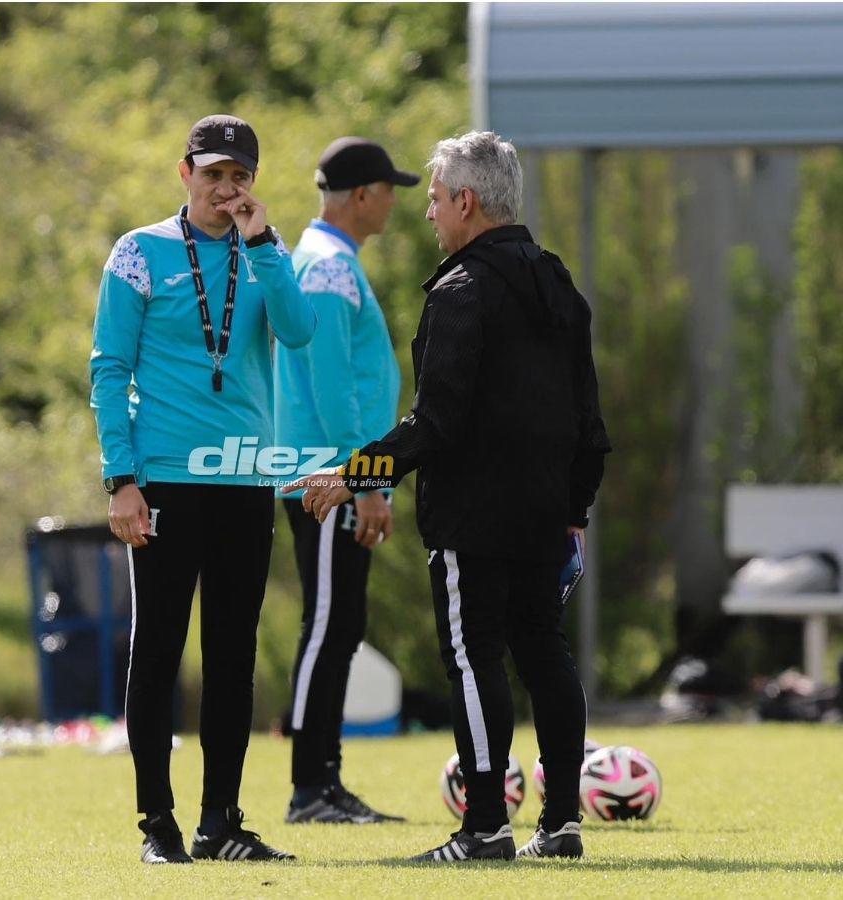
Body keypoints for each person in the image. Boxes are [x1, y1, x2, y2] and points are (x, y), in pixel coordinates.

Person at [284, 131, 611, 862]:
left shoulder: (462, 290)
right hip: (546, 513)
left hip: (475, 516)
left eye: (435, 199)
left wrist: (354, 473)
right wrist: (573, 512)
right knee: (545, 653)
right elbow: (591, 423)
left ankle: (485, 825)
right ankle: (560, 823)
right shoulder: (559, 283)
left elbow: (438, 423)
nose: (428, 214)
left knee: (472, 657)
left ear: (466, 202)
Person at [90, 114, 315, 864]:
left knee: (231, 655)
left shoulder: (265, 250)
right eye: (213, 173)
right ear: (185, 173)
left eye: (239, 175)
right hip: (163, 483)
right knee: (156, 652)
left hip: (244, 480)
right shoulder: (138, 253)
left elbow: (299, 330)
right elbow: (108, 370)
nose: (226, 187)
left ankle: (222, 821)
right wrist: (121, 481)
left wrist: (263, 244)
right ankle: (158, 825)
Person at [274, 137, 419, 824]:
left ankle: (324, 781)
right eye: (389, 188)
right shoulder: (328, 270)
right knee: (328, 624)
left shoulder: (330, 264)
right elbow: (335, 394)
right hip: (327, 480)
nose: (395, 200)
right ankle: (310, 786)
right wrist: (366, 484)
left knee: (340, 623)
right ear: (361, 196)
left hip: (334, 476)